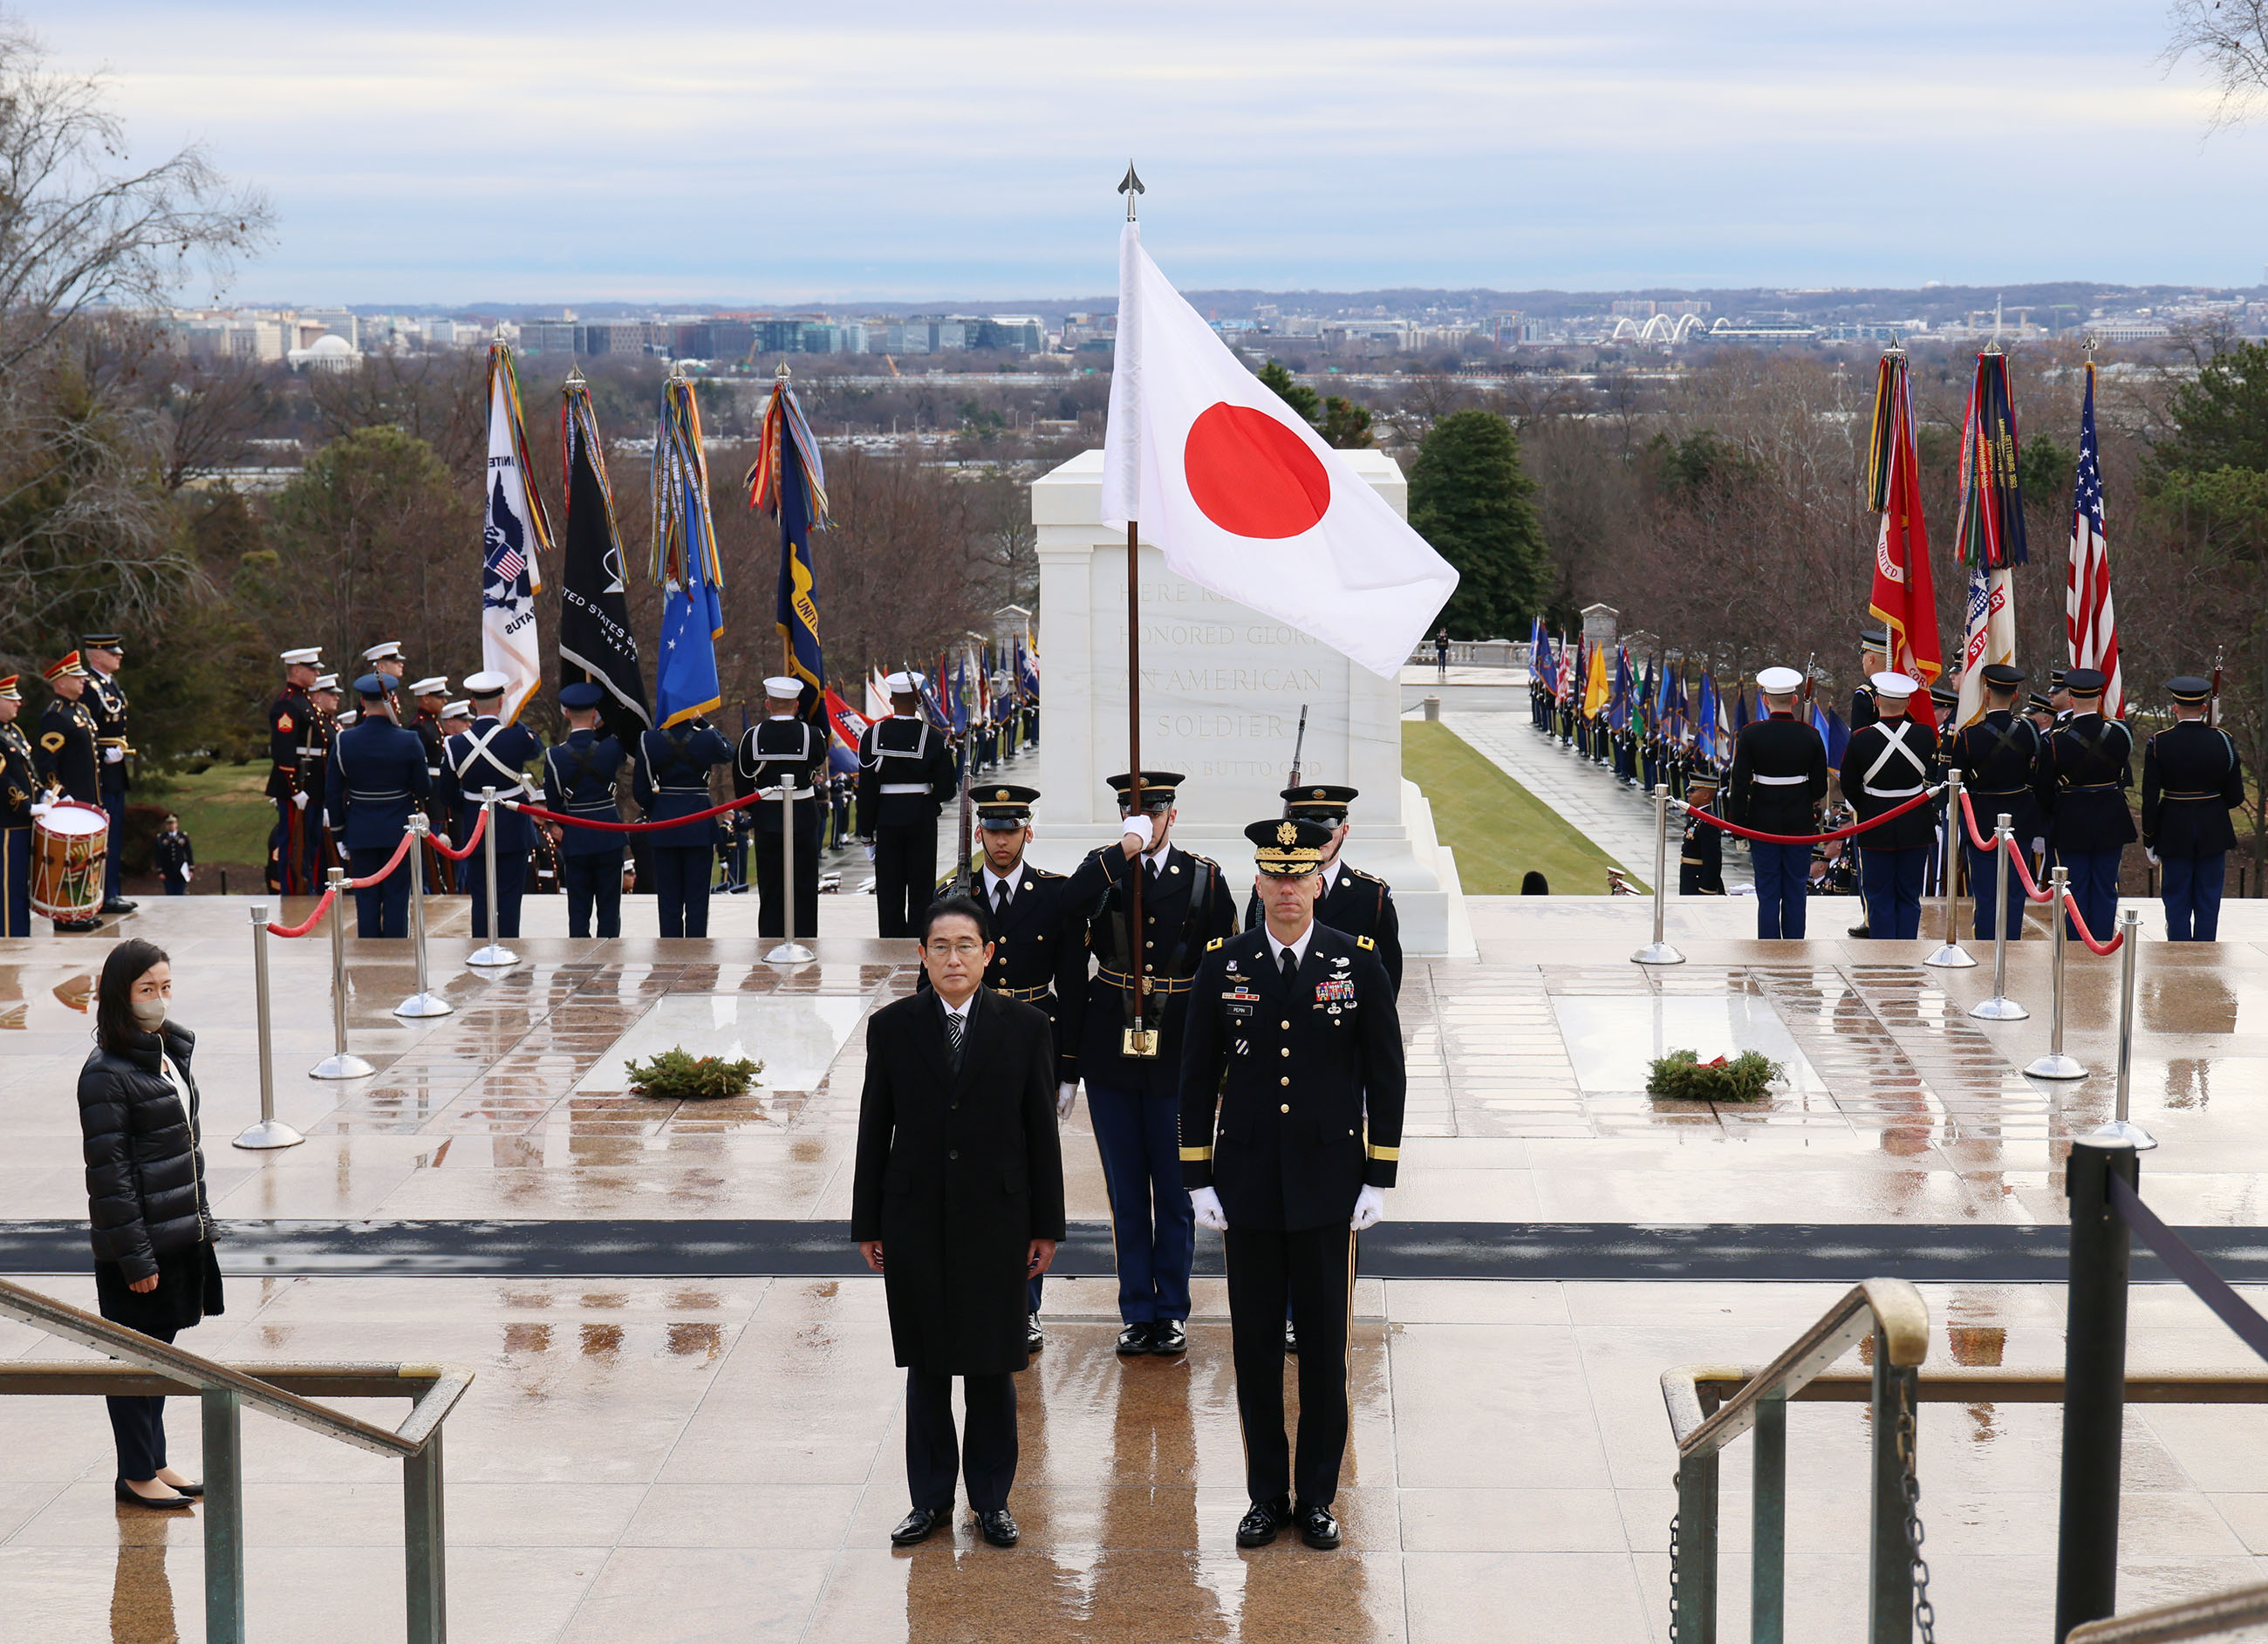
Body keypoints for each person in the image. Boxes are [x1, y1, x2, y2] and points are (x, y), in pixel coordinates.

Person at [1180, 816, 1404, 1553]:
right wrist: (1196, 1177)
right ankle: (1264, 1495)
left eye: (1299, 873)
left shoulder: (1357, 962)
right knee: (1251, 1351)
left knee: (1324, 1350)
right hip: (1245, 1184)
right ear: (1258, 882)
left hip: (1327, 1186)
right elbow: (1194, 1077)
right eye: (1273, 875)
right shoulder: (1224, 964)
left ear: (1318, 879)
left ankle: (1316, 1497)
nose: (1286, 887)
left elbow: (1385, 1075)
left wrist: (1379, 1174)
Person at [852, 894, 1064, 1551]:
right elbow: (872, 1130)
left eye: (965, 945)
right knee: (928, 1364)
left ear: (988, 953)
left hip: (996, 1219)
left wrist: (1046, 1225)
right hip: (914, 1216)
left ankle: (992, 1500)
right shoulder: (892, 1027)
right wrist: (868, 1222)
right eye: (939, 946)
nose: (952, 958)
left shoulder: (1026, 1027)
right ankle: (930, 1501)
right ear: (921, 954)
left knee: (991, 1365)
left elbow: (1040, 1135)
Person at [1066, 771, 1238, 1358]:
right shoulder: (1107, 868)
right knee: (1126, 1192)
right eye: (1136, 814)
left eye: (1156, 813)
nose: (1146, 822)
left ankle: (1173, 1311)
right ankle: (1137, 1308)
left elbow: (1225, 970)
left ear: (1173, 814)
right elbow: (1069, 906)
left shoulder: (1204, 878)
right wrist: (1125, 850)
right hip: (1113, 1047)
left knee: (1175, 1187)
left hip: (1180, 1050)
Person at [927, 782, 1087, 1353]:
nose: (1001, 840)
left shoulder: (1054, 895)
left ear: (1027, 832)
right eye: (992, 830)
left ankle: (1024, 1305)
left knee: (1026, 1174)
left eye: (1010, 829)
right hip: (966, 1038)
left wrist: (1069, 1069)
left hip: (1033, 1037)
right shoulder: (954, 895)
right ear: (980, 834)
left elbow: (1072, 983)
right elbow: (932, 984)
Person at [76, 938, 223, 1509]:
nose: (159, 999)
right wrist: (136, 1258)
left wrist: (201, 1221)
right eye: (146, 989)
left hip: (176, 1233)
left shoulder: (167, 1054)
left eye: (165, 986)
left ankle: (155, 1459)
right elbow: (109, 1178)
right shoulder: (105, 1074)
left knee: (158, 1356)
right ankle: (135, 1472)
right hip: (137, 1245)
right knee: (135, 1360)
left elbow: (189, 1147)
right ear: (121, 995)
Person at [1247, 785, 1404, 993]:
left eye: (1330, 824)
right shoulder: (1267, 893)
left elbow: (1388, 978)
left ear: (1345, 830)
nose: (1321, 835)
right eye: (1307, 823)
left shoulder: (1372, 895)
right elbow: (1251, 956)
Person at [324, 676, 432, 937]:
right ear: (392, 700)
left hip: (361, 831)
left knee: (367, 901)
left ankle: (369, 959)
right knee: (396, 899)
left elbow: (333, 792)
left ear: (362, 702)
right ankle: (394, 956)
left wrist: (339, 834)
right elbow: (424, 789)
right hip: (399, 832)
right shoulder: (408, 740)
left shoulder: (344, 741)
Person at [1725, 666, 1827, 938]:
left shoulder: (1751, 734)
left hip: (1762, 823)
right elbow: (1819, 788)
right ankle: (1794, 947)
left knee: (1768, 893)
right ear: (1794, 700)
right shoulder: (1811, 735)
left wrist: (1738, 828)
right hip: (1799, 824)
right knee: (1795, 890)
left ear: (1764, 698)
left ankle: (1769, 949)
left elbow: (1738, 786)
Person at [441, 672, 541, 940]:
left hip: (476, 828)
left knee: (481, 897)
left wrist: (474, 808)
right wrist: (514, 718)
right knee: (510, 897)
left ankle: (481, 947)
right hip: (513, 828)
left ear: (473, 703)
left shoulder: (454, 744)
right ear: (501, 702)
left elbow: (447, 793)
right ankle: (508, 947)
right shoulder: (518, 737)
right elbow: (538, 749)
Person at [2143, 675, 2244, 942]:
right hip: (2213, 829)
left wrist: (2149, 837)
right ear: (2203, 707)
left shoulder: (2159, 742)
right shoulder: (2223, 740)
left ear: (2174, 707)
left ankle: (2179, 955)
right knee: (2208, 901)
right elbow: (2235, 796)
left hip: (2173, 828)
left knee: (2176, 900)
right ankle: (2205, 954)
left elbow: (2150, 795)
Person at [857, 672, 958, 937]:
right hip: (921, 818)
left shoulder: (871, 735)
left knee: (889, 890)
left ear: (891, 700)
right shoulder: (934, 737)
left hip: (887, 818)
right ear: (918, 699)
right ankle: (919, 944)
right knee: (921, 890)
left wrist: (866, 835)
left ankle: (890, 945)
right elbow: (947, 789)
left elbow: (867, 791)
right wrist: (929, 799)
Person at [1946, 663, 2041, 942]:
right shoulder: (2029, 730)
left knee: (1985, 893)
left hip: (1983, 822)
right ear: (2015, 695)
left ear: (1986, 694)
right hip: (2020, 820)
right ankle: (2010, 944)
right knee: (2014, 892)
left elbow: (1959, 782)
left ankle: (1986, 947)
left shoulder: (1968, 736)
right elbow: (2035, 773)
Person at [1841, 672, 1939, 940]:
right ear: (1908, 703)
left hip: (1876, 823)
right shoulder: (1925, 735)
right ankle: (1906, 951)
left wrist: (1870, 805)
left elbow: (1848, 785)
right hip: (1916, 821)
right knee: (1909, 895)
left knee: (1879, 895)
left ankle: (1883, 957)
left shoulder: (1862, 738)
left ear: (1878, 702)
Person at [2042, 667, 2134, 945]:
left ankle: (2077, 944)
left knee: (2075, 888)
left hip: (2072, 819)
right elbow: (2124, 775)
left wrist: (2054, 813)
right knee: (2107, 886)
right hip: (2111, 817)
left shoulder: (2056, 741)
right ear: (2099, 698)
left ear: (2070, 700)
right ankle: (2103, 941)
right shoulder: (2120, 734)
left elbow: (2044, 791)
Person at [734, 678, 827, 942]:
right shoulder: (812, 734)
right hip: (804, 813)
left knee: (771, 886)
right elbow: (818, 760)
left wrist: (759, 811)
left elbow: (742, 785)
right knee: (805, 886)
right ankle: (806, 940)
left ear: (767, 704)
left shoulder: (751, 737)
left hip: (767, 816)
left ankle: (771, 941)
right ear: (797, 705)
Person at [631, 709, 734, 938]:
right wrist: (703, 722)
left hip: (664, 826)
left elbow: (640, 791)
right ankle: (695, 955)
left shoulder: (649, 740)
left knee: (669, 902)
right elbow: (729, 752)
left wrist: (660, 808)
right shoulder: (707, 737)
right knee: (697, 902)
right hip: (699, 823)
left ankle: (671, 955)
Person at [544, 683, 630, 939]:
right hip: (608, 834)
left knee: (579, 913)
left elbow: (554, 804)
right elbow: (619, 740)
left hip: (577, 837)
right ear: (596, 713)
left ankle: (580, 963)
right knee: (609, 912)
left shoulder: (554, 756)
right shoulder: (611, 748)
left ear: (566, 713)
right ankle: (608, 962)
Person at [34, 652, 104, 932]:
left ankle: (81, 910)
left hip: (88, 796)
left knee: (87, 858)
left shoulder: (80, 712)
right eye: (77, 678)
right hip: (71, 799)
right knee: (69, 861)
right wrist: (57, 794)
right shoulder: (56, 716)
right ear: (61, 683)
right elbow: (46, 761)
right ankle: (66, 915)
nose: (83, 682)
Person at [79, 634, 137, 914]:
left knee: (113, 835)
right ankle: (103, 893)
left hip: (115, 768)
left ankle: (111, 891)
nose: (119, 656)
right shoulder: (89, 687)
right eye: (112, 653)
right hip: (101, 771)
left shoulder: (110, 684)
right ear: (95, 655)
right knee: (103, 835)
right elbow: (85, 733)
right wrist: (103, 755)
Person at [266, 648, 323, 896]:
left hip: (312, 786)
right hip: (297, 787)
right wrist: (295, 790)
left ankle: (306, 888)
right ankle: (292, 893)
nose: (317, 673)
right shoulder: (288, 703)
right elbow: (283, 751)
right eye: (312, 669)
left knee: (309, 843)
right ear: (296, 670)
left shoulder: (304, 700)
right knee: (292, 845)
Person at [0, 673, 33, 935]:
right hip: (8, 823)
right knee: (8, 889)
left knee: (20, 886)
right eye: (11, 699)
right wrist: (25, 805)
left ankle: (21, 933)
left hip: (22, 823)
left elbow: (28, 772)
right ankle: (10, 936)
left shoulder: (14, 732)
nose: (18, 703)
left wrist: (44, 794)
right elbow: (3, 780)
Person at [1679, 774, 1725, 896]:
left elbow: (1713, 859)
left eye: (1692, 791)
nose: (1688, 794)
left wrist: (1707, 889)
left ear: (1705, 795)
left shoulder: (1708, 821)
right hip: (1690, 878)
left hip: (1698, 881)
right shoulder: (1698, 817)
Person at [1850, 627, 1888, 730]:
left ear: (1871, 659)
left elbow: (1858, 738)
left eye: (1864, 656)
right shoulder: (1902, 690)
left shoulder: (1865, 695)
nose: (1862, 662)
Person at [154, 815, 194, 897]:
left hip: (181, 871)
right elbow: (158, 855)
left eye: (173, 823)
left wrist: (191, 869)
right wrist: (160, 871)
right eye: (169, 824)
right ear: (166, 825)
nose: (171, 825)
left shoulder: (183, 836)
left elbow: (189, 853)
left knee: (180, 894)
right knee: (170, 894)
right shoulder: (161, 838)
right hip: (167, 871)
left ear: (177, 824)